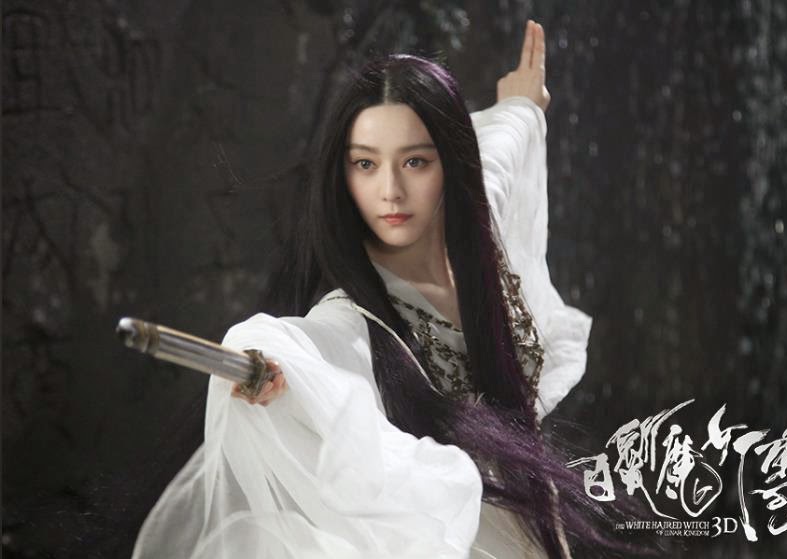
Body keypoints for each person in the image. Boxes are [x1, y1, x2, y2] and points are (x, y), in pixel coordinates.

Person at [132, 20, 636, 559]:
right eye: (366, 164)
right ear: (343, 173)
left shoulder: (479, 222)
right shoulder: (352, 322)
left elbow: (500, 150)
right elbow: (307, 344)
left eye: (415, 162)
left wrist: (523, 104)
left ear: (451, 164)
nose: (390, 190)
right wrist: (263, 361)